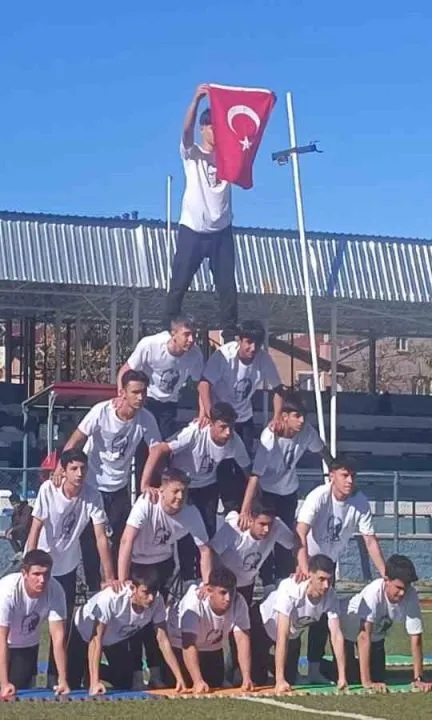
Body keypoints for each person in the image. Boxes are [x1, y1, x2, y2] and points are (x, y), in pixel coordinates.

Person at [56, 370, 160, 590]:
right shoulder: (101, 412)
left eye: (143, 392)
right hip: (92, 486)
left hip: (119, 487)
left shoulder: (146, 419)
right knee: (90, 541)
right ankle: (94, 588)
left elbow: (156, 450)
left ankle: (120, 585)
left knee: (124, 539)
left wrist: (145, 483)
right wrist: (60, 468)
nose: (140, 397)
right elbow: (76, 439)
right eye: (135, 392)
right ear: (122, 393)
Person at [26, 449, 116, 688]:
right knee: (30, 620)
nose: (79, 473)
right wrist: (29, 564)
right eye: (73, 468)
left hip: (67, 566)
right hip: (41, 564)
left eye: (83, 468)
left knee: (61, 625)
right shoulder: (49, 490)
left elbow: (100, 537)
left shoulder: (92, 495)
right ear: (63, 471)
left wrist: (109, 576)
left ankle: (56, 677)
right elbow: (35, 528)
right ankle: (27, 675)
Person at [119, 468, 214, 688]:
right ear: (162, 490)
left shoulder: (190, 513)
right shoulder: (147, 503)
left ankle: (156, 673)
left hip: (162, 564)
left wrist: (207, 583)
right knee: (134, 619)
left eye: (184, 492)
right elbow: (126, 541)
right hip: (137, 563)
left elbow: (205, 550)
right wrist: (123, 580)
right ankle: (135, 674)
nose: (180, 497)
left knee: (157, 621)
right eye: (175, 491)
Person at [295, 458, 386, 684]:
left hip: (328, 565)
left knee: (322, 619)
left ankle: (315, 669)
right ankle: (287, 671)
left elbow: (370, 540)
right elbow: (301, 531)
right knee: (295, 618)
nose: (350, 480)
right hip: (307, 560)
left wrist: (385, 573)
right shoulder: (319, 496)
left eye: (353, 475)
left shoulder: (360, 502)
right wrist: (303, 567)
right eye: (345, 475)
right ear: (332, 476)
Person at [141, 401, 250, 579]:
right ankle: (187, 578)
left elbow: (248, 470)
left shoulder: (234, 441)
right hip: (184, 486)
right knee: (185, 533)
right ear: (211, 424)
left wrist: (253, 499)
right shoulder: (195, 432)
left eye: (231, 427)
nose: (228, 433)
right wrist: (147, 483)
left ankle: (205, 577)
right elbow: (158, 449)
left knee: (207, 534)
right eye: (223, 427)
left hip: (207, 486)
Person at [167, 82, 238, 340]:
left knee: (227, 287)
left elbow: (247, 135)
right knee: (179, 283)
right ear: (203, 128)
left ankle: (229, 334)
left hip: (221, 230)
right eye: (212, 127)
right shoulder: (192, 154)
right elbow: (186, 131)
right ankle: (169, 328)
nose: (217, 131)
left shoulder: (230, 155)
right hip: (193, 230)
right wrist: (196, 100)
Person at [239, 394, 333, 583]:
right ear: (284, 416)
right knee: (265, 536)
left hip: (288, 492)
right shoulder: (269, 437)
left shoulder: (307, 432)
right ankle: (267, 581)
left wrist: (333, 467)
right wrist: (245, 508)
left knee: (287, 539)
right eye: (296, 416)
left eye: (303, 416)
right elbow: (255, 475)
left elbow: (322, 449)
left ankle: (282, 580)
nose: (301, 421)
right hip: (266, 493)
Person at [208, 498, 303, 683]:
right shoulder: (234, 527)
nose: (267, 530)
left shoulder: (276, 526)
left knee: (242, 627)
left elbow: (296, 543)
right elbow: (211, 550)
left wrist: (300, 565)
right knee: (218, 628)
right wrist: (214, 582)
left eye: (270, 524)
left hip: (247, 583)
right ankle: (220, 672)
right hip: (225, 584)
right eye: (262, 524)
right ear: (250, 518)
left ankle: (239, 671)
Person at [197, 320, 283, 514]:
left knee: (244, 464)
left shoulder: (263, 359)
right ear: (239, 340)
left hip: (243, 418)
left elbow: (278, 389)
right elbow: (204, 384)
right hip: (222, 418)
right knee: (224, 463)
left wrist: (277, 416)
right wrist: (210, 415)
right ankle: (230, 508)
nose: (253, 349)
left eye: (257, 344)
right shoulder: (224, 356)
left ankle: (246, 507)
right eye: (249, 343)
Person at [0, 550, 70, 698]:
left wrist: (63, 680)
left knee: (21, 686)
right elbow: (0, 638)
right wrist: (4, 684)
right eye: (36, 574)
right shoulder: (8, 591)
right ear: (24, 573)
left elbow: (58, 638)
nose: (42, 580)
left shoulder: (56, 591)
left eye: (46, 574)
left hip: (26, 639)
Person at [68, 567, 186, 695]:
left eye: (154, 592)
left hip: (114, 639)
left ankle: (88, 669)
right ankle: (86, 671)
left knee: (125, 680)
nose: (151, 598)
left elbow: (163, 641)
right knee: (72, 682)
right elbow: (96, 639)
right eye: (145, 592)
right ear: (133, 588)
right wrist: (94, 683)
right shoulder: (112, 598)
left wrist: (179, 679)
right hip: (83, 631)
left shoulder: (157, 601)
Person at [328, 555, 430, 691]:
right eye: (398, 587)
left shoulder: (410, 595)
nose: (402, 593)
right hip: (345, 631)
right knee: (350, 676)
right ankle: (318, 666)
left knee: (378, 676)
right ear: (386, 580)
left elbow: (416, 637)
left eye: (405, 588)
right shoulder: (374, 592)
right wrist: (367, 682)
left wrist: (418, 679)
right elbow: (363, 636)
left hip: (376, 636)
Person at [254, 554, 348, 693]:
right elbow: (282, 634)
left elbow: (336, 635)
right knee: (258, 678)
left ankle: (271, 665)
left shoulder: (331, 596)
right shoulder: (291, 589)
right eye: (321, 579)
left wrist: (342, 677)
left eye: (330, 580)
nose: (326, 585)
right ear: (310, 575)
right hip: (262, 627)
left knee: (291, 679)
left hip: (293, 635)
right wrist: (280, 680)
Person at [168, 566, 255, 693]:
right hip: (179, 644)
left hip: (211, 645)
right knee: (182, 685)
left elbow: (242, 640)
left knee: (215, 683)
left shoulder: (238, 602)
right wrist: (197, 680)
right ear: (209, 590)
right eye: (223, 593)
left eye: (231, 592)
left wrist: (246, 677)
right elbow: (188, 643)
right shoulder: (194, 602)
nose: (228, 598)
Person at [120, 318, 205, 439]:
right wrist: (121, 397)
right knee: (140, 439)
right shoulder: (150, 344)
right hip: (146, 399)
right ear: (173, 334)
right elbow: (125, 370)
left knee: (164, 442)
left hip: (170, 402)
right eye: (186, 334)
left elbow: (202, 384)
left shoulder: (195, 354)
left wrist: (203, 413)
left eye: (194, 335)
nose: (191, 340)